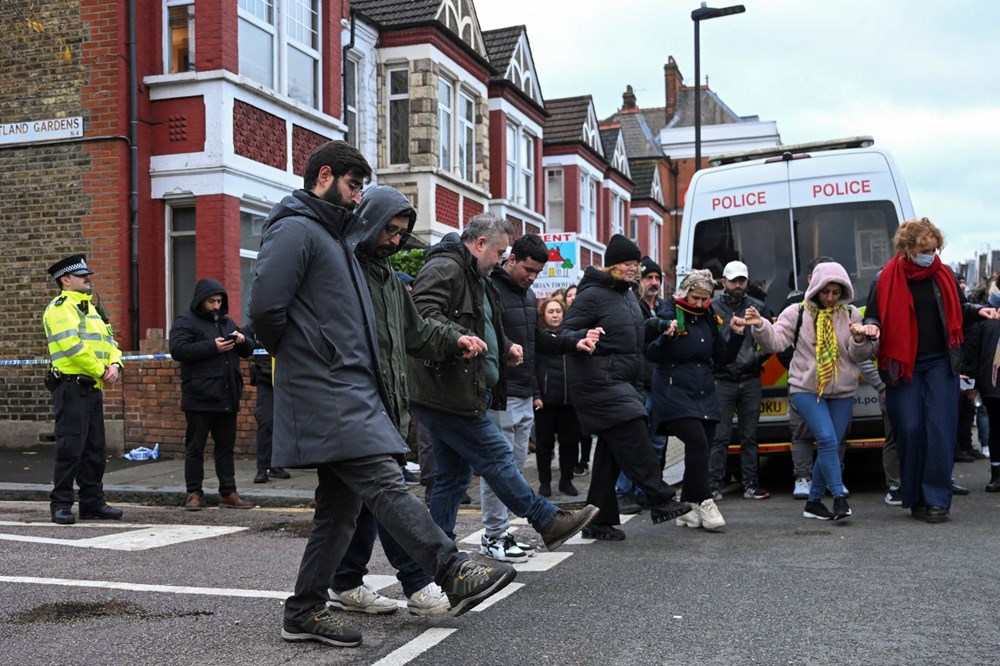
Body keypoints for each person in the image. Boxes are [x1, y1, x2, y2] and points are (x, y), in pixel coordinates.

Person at [248, 141, 516, 648]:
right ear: (324, 175)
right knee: (386, 483)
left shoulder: (336, 240)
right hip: (329, 387)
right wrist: (312, 354)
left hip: (350, 388)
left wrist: (451, 341)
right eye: (353, 186)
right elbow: (264, 309)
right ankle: (450, 567)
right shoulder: (295, 228)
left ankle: (303, 611)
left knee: (341, 508)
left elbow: (395, 329)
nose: (356, 199)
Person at [328, 184, 489, 617]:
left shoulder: (389, 281)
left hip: (385, 409)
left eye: (402, 232)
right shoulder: (344, 271)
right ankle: (425, 581)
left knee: (357, 506)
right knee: (391, 497)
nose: (396, 240)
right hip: (358, 407)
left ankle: (340, 584)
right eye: (390, 230)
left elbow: (417, 333)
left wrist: (456, 338)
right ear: (369, 223)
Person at [408, 214, 599, 554]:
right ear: (480, 244)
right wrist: (457, 338)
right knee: (497, 456)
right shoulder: (447, 269)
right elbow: (421, 315)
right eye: (498, 252)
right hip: (447, 390)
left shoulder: (477, 276)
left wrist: (504, 346)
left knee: (453, 478)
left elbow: (485, 326)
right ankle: (546, 520)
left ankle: (437, 554)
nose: (500, 260)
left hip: (458, 388)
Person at [863, 218, 997, 523]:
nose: (931, 255)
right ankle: (915, 496)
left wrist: (979, 311)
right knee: (909, 429)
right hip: (904, 365)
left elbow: (959, 310)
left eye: (935, 248)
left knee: (939, 429)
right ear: (908, 249)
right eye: (925, 249)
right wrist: (869, 328)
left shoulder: (944, 274)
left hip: (940, 362)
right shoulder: (885, 279)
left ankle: (937, 499)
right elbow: (874, 316)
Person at [560, 234, 692, 541]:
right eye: (628, 263)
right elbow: (567, 331)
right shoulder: (591, 294)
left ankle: (598, 519)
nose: (634, 268)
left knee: (610, 453)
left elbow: (633, 332)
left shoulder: (626, 294)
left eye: (636, 263)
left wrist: (659, 326)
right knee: (634, 430)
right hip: (598, 381)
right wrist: (586, 335)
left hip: (622, 380)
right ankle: (660, 499)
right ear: (611, 266)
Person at [742, 261, 877, 521]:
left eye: (836, 293)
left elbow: (858, 355)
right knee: (826, 439)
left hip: (842, 390)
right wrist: (760, 325)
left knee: (832, 445)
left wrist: (860, 339)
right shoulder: (796, 312)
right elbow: (777, 342)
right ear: (815, 288)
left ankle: (813, 502)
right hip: (806, 388)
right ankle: (838, 498)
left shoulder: (850, 314)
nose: (830, 298)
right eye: (826, 292)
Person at [647, 269, 746, 532]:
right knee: (697, 442)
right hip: (673, 391)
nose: (701, 304)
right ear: (685, 293)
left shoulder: (709, 317)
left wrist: (735, 334)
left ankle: (688, 506)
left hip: (703, 390)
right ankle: (704, 500)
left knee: (705, 443)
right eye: (696, 299)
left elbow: (722, 357)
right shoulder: (670, 312)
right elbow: (651, 353)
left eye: (705, 299)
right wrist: (665, 337)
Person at [43, 254, 124, 525]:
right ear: (65, 281)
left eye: (87, 275)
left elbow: (111, 341)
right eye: (82, 276)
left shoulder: (92, 308)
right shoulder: (60, 307)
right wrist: (101, 370)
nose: (88, 279)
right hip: (71, 386)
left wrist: (115, 363)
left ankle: (92, 502)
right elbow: (72, 347)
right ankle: (61, 504)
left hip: (91, 388)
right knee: (70, 448)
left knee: (94, 449)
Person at [169, 279, 256, 511]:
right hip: (199, 395)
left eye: (219, 301)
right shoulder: (185, 321)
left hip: (227, 395)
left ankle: (228, 492)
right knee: (195, 447)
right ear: (201, 301)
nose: (216, 306)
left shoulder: (227, 322)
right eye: (212, 301)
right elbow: (178, 350)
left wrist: (242, 339)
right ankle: (194, 493)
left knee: (225, 448)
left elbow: (248, 351)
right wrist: (212, 347)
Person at [709, 260, 772, 500]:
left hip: (750, 377)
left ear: (747, 281)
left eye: (741, 280)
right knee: (719, 436)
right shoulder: (712, 307)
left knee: (749, 435)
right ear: (723, 281)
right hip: (721, 379)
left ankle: (751, 484)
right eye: (733, 280)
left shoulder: (758, 307)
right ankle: (713, 484)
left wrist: (755, 359)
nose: (737, 285)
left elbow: (770, 339)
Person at [615, 256, 672, 514]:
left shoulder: (665, 308)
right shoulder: (631, 307)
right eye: (648, 278)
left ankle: (646, 491)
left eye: (657, 278)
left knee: (657, 442)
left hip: (661, 383)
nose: (653, 283)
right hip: (638, 383)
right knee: (635, 441)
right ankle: (623, 491)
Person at [534, 296, 583, 500]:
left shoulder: (571, 337)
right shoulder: (539, 338)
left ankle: (566, 479)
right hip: (545, 400)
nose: (555, 315)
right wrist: (536, 394)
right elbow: (532, 368)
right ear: (543, 315)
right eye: (550, 311)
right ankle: (545, 482)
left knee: (570, 443)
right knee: (544, 444)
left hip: (569, 401)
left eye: (558, 311)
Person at [962, 281, 1000, 492]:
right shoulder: (985, 320)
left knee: (996, 428)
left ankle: (996, 475)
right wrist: (971, 384)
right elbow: (973, 354)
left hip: (990, 384)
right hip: (992, 385)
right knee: (996, 428)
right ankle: (996, 473)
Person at [246, 335, 291, 484]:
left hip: (286, 378)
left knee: (283, 424)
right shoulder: (257, 325)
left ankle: (276, 466)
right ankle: (262, 468)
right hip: (265, 378)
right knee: (266, 422)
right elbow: (246, 343)